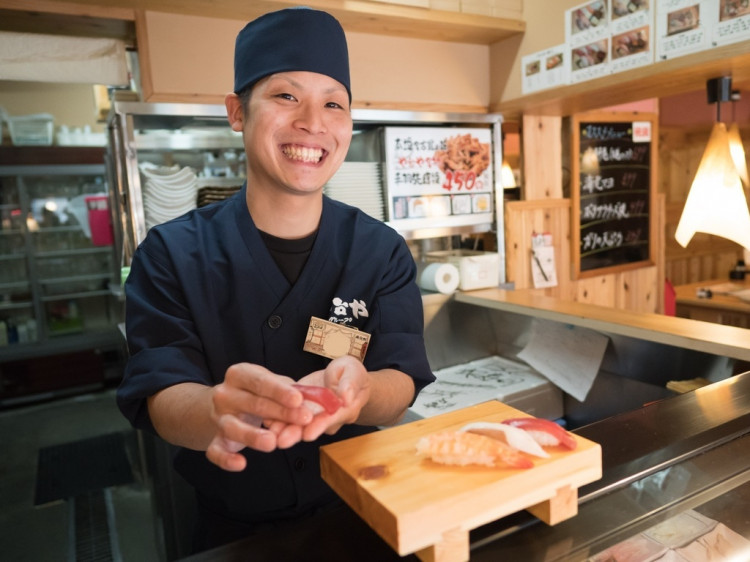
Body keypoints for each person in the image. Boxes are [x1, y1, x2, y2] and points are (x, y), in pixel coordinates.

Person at [117, 6, 435, 552]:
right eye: (287, 96)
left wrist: (360, 394)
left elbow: (401, 378)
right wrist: (215, 410)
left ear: (349, 123)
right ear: (237, 112)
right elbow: (159, 390)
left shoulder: (380, 251)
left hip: (364, 511)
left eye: (333, 103)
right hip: (230, 530)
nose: (313, 121)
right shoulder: (171, 253)